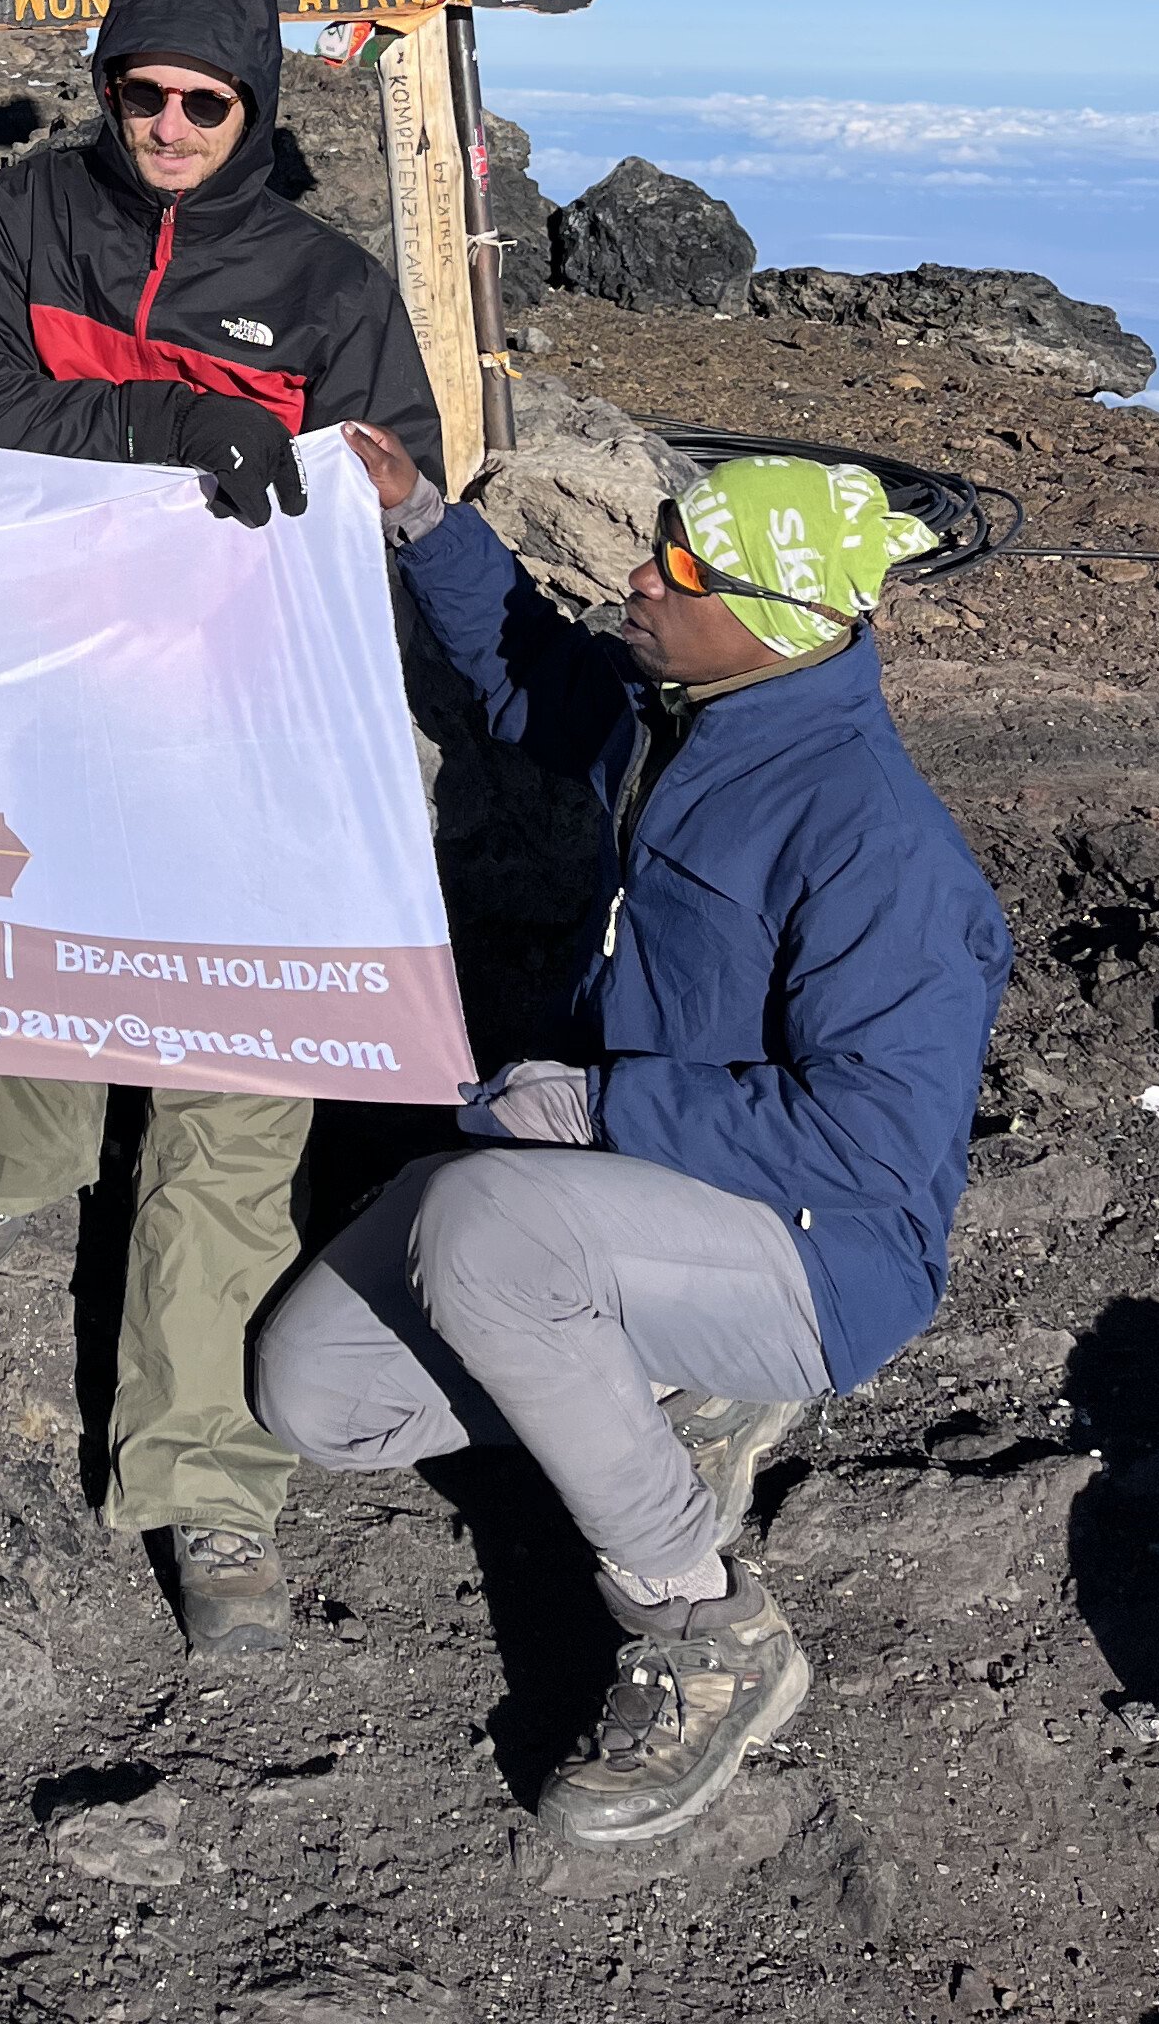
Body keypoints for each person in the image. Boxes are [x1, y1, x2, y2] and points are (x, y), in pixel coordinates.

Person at [255, 435, 1010, 1850]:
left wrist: (600, 1108)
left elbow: (872, 1147)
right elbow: (530, 671)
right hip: (646, 1197)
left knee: (487, 1231)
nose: (640, 579)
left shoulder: (876, 845)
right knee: (316, 1393)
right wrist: (420, 515)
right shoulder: (691, 716)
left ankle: (706, 1627)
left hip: (821, 1257)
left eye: (679, 565)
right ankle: (657, 1373)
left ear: (776, 611)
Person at [0, 0, 444, 1657]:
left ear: (257, 105)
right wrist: (172, 421)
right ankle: (9, 1184)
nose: (167, 127)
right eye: (139, 94)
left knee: (231, 1104)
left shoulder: (329, 282)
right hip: (54, 717)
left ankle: (204, 1481)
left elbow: (393, 481)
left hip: (241, 741)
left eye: (204, 101)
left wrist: (370, 483)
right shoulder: (27, 219)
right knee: (38, 1056)